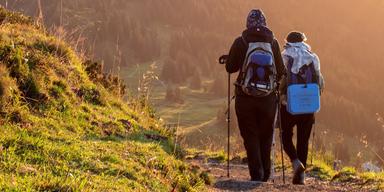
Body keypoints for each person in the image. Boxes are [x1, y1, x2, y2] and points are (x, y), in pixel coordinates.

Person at [225, 9, 286, 182]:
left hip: (245, 98)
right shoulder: (273, 43)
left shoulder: (241, 41)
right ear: (264, 23)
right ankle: (266, 175)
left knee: (250, 134)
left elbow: (230, 68)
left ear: (248, 23)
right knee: (266, 135)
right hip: (267, 99)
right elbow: (281, 71)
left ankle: (256, 173)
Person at [280, 31, 324, 185]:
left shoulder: (284, 56)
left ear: (287, 42)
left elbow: (279, 82)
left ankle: (295, 161)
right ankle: (301, 178)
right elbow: (320, 83)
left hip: (288, 105)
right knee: (303, 141)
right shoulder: (313, 57)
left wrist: (281, 97)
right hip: (309, 106)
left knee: (285, 136)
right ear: (303, 41)